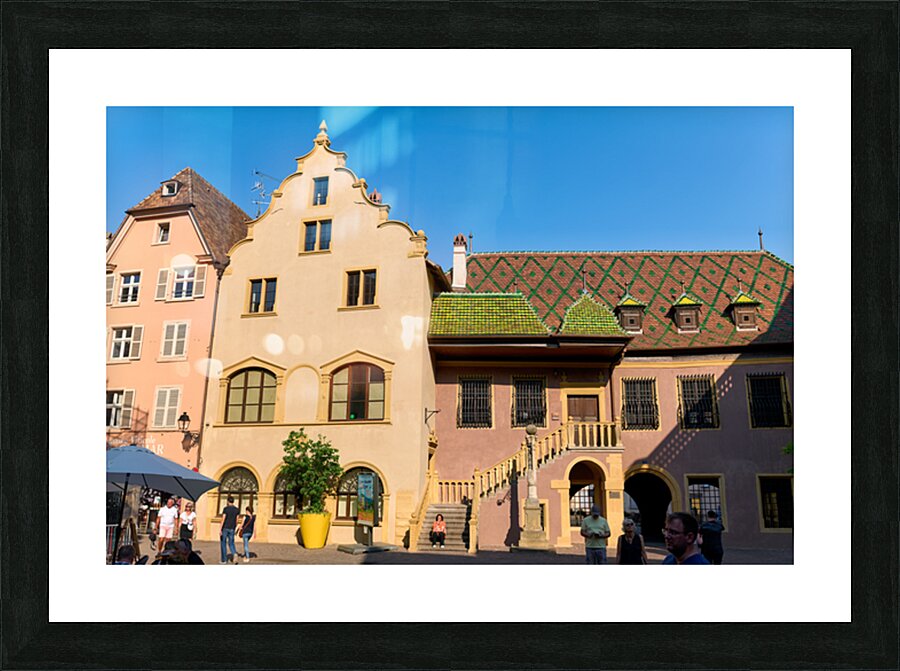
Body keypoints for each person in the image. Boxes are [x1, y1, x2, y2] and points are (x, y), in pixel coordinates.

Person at [219, 496, 240, 564]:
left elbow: (223, 519)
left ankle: (224, 560)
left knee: (223, 543)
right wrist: (234, 527)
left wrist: (220, 529)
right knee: (231, 543)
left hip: (225, 528)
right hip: (232, 528)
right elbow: (237, 520)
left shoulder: (226, 509)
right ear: (233, 501)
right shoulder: (237, 510)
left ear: (228, 501)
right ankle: (234, 553)